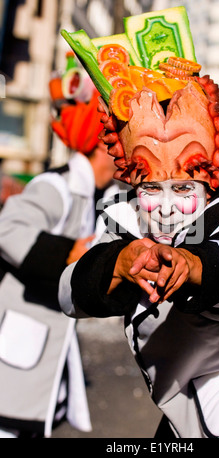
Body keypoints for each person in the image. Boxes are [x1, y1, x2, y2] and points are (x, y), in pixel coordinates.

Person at [59, 40, 219, 438]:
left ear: (210, 172)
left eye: (185, 185)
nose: (167, 206)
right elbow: (70, 292)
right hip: (181, 414)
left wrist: (193, 266)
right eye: (151, 186)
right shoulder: (128, 217)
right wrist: (118, 263)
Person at [0, 58, 120, 438]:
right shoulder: (56, 186)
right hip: (15, 352)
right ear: (104, 139)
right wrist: (71, 252)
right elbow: (8, 229)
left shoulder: (108, 196)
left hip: (48, 352)